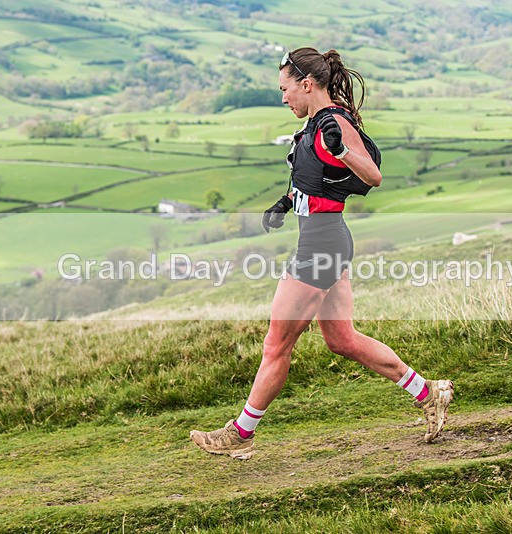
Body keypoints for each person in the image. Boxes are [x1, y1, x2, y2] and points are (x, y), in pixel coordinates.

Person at [190, 47, 454, 460]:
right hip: (326, 238)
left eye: (285, 89)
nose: (283, 98)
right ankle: (429, 392)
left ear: (307, 84)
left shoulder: (333, 122)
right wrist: (286, 203)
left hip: (321, 247)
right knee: (343, 339)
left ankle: (240, 434)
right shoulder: (315, 124)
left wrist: (344, 150)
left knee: (277, 344)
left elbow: (374, 175)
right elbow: (317, 178)